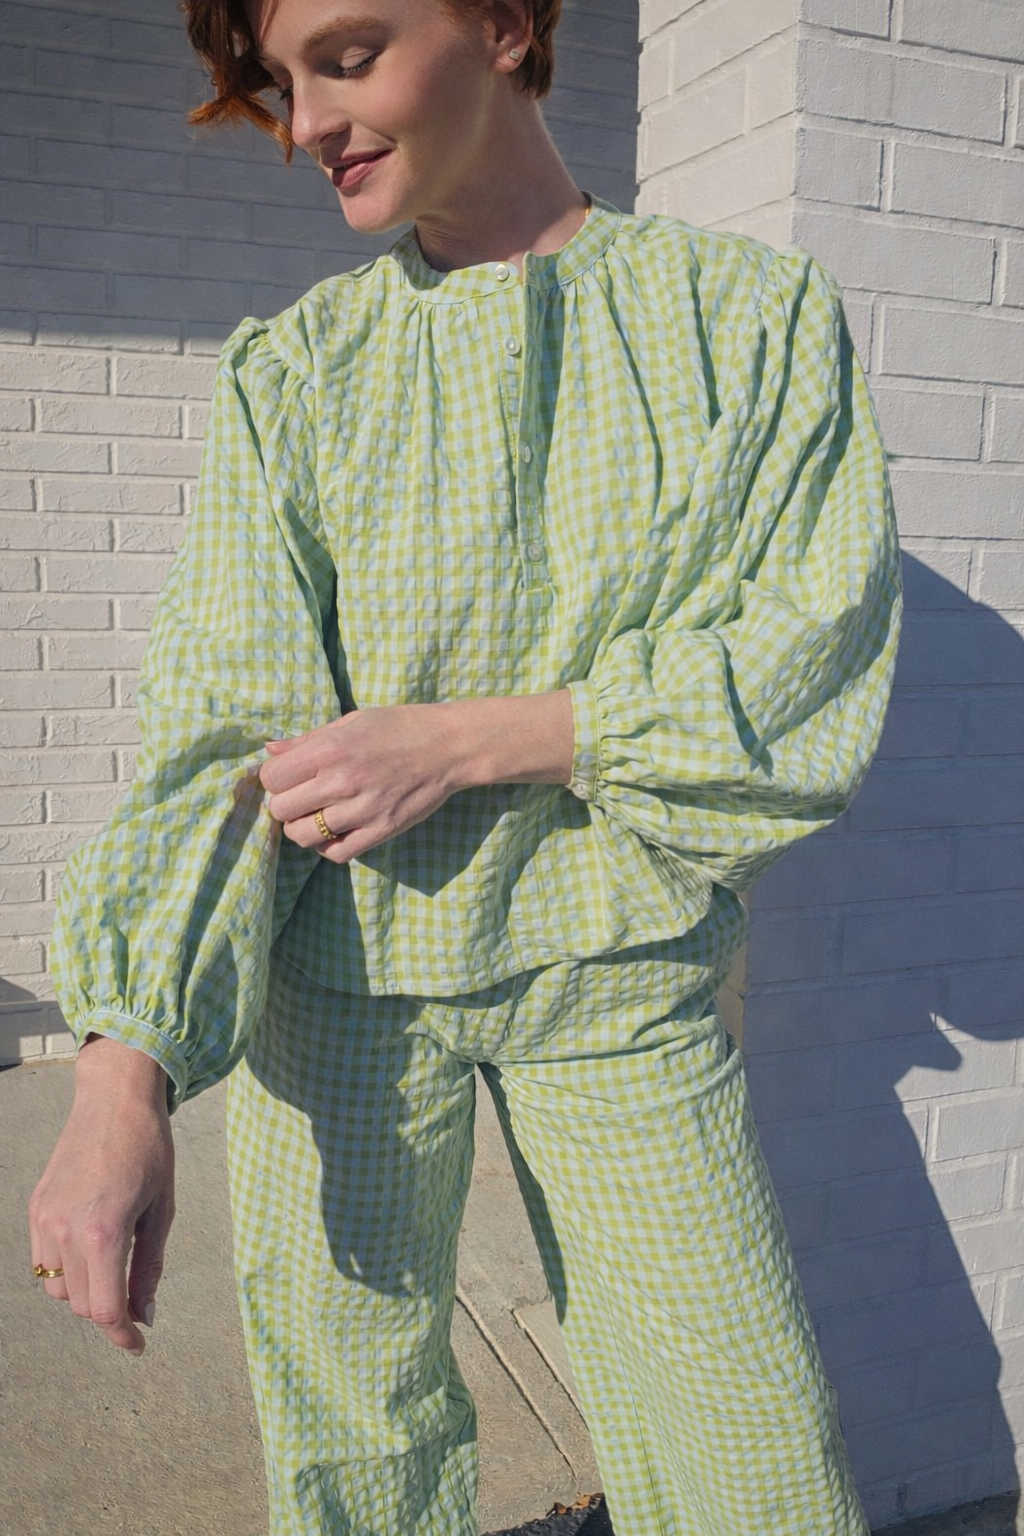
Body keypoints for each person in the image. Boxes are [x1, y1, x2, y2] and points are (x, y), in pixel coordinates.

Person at [29, 1, 902, 1532]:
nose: (305, 123)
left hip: (619, 979)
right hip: (340, 989)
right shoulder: (297, 374)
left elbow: (807, 651)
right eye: (281, 84)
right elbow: (230, 729)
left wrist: (464, 740)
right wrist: (124, 1072)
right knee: (358, 1452)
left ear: (503, 23)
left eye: (347, 56)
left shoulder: (746, 320)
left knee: (743, 1440)